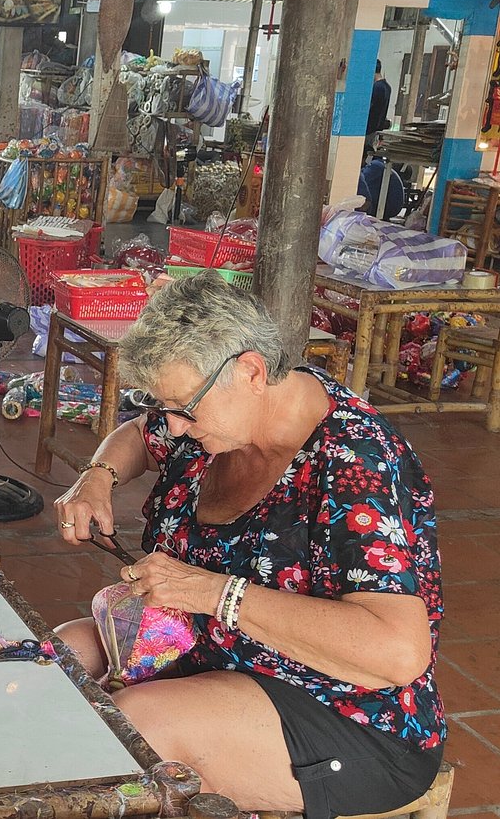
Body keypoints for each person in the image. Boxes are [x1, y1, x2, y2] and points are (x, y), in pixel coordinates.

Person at [53, 273, 443, 819]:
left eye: (183, 409)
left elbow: (398, 653)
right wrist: (97, 477)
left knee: (137, 724)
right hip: (220, 655)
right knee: (62, 655)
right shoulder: (213, 417)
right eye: (165, 407)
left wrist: (215, 593)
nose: (173, 426)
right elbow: (141, 436)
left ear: (252, 371)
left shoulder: (356, 464)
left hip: (348, 710)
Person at [358, 156, 406, 220]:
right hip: (392, 208)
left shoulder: (375, 165)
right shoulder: (381, 165)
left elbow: (358, 181)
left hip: (387, 208)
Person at [367, 59, 393, 145]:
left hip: (370, 130)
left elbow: (370, 107)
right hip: (378, 130)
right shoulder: (387, 87)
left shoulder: (376, 87)